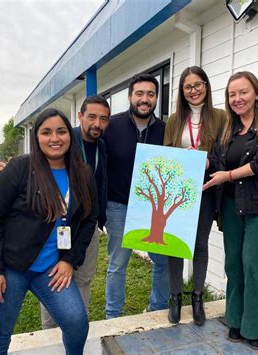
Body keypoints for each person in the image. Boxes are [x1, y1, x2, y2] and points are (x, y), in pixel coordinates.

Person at [0, 108, 98, 355]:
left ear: (70, 135)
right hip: (10, 268)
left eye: (61, 131)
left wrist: (69, 260)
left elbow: (89, 220)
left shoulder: (83, 174)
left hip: (49, 270)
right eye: (46, 132)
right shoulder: (19, 168)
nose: (55, 138)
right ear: (36, 138)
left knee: (77, 323)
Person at [0, 96, 111, 330]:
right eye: (92, 117)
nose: (97, 123)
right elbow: (33, 166)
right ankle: (51, 333)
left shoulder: (102, 146)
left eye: (103, 119)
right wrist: (6, 170)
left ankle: (75, 327)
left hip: (83, 227)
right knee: (51, 281)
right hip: (52, 231)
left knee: (82, 281)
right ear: (79, 118)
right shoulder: (64, 138)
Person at [204, 71, 258, 349]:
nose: (237, 99)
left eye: (242, 92)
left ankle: (254, 326)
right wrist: (200, 164)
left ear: (255, 92)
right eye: (232, 94)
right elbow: (218, 161)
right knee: (234, 264)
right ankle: (235, 320)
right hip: (230, 207)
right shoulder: (229, 128)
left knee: (253, 264)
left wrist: (228, 176)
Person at [163, 66, 225, 325]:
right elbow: (166, 151)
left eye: (198, 84)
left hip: (207, 188)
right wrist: (182, 158)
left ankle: (197, 297)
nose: (194, 90)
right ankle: (175, 297)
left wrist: (208, 160)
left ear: (206, 86)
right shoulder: (174, 120)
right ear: (182, 91)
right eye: (188, 86)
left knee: (200, 243)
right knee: (175, 244)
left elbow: (224, 150)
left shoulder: (221, 116)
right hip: (179, 188)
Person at [103, 73, 169, 319]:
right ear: (130, 96)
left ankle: (158, 308)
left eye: (150, 94)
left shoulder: (165, 130)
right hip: (118, 206)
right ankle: (112, 316)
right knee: (118, 265)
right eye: (139, 94)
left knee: (162, 261)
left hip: (152, 210)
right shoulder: (112, 126)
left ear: (156, 99)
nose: (145, 99)